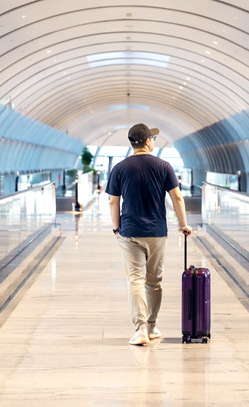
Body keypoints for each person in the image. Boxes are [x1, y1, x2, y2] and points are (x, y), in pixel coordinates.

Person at [106, 123, 193, 346]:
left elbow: (113, 201)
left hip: (130, 232)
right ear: (146, 141)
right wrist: (183, 224)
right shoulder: (164, 166)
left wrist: (116, 227)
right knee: (154, 282)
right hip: (157, 232)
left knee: (135, 280)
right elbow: (177, 198)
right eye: (152, 139)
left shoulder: (120, 168)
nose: (154, 142)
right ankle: (153, 326)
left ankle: (141, 330)